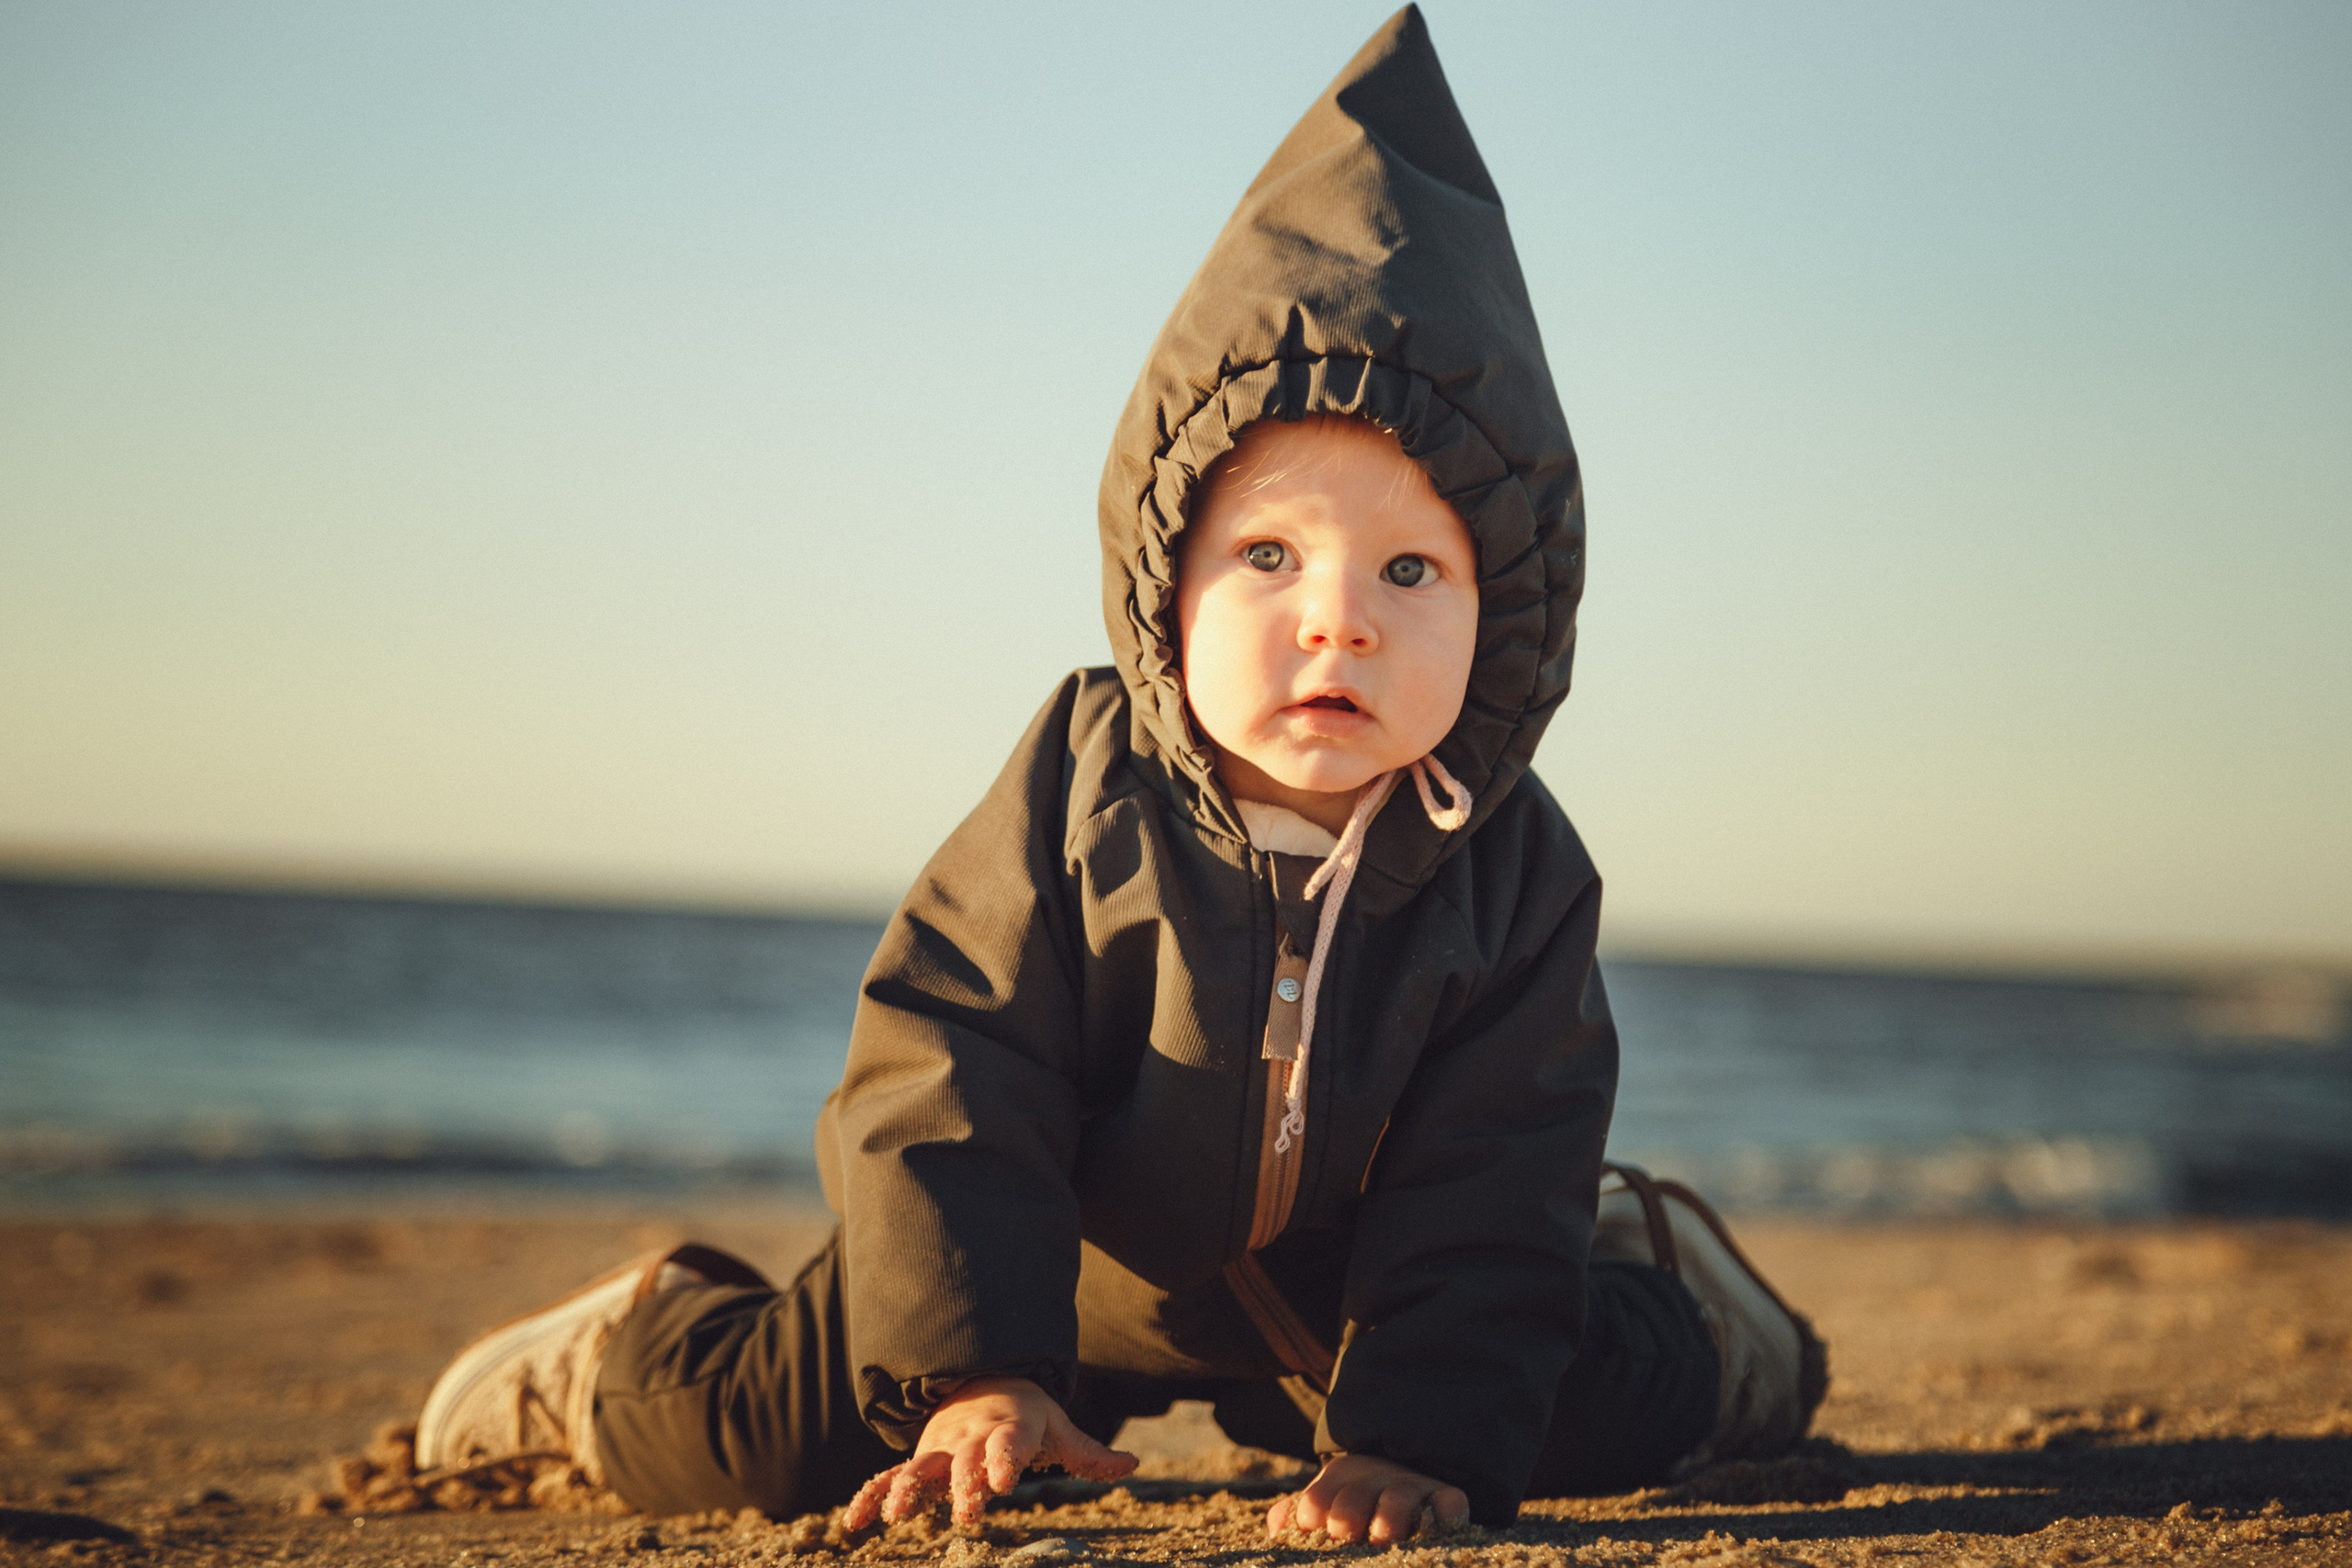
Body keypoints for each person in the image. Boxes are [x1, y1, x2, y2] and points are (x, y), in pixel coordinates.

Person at [408, 6, 1826, 1543]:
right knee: (759, 1444)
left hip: (1331, 1296)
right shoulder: (1079, 795)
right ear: (1166, 576)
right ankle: (623, 1345)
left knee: (1550, 1416)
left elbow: (1495, 1164)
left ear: (1510, 620)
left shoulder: (1513, 869)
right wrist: (977, 1369)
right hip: (1044, 1249)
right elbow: (946, 1072)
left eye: (1413, 568)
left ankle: (1697, 1315)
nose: (1339, 615)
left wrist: (1417, 1428)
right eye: (1270, 555)